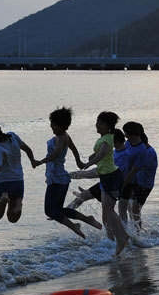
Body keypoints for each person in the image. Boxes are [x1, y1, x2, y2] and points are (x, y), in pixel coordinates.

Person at [31, 107, 102, 238]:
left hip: (57, 178)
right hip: (57, 178)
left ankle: (76, 224)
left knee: (50, 211)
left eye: (53, 124)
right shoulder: (64, 136)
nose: (51, 126)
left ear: (60, 125)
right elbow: (74, 149)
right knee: (55, 210)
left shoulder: (62, 138)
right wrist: (79, 162)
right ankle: (86, 219)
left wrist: (40, 162)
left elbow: (56, 154)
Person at [81, 111, 130, 255]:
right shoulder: (105, 138)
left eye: (100, 123)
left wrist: (88, 163)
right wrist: (91, 157)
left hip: (110, 176)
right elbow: (101, 154)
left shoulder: (108, 138)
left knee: (108, 210)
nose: (96, 125)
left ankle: (122, 238)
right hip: (107, 176)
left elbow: (102, 154)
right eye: (97, 121)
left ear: (108, 126)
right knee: (107, 211)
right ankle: (116, 238)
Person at [69, 129, 129, 221]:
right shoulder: (115, 152)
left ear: (113, 141)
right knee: (82, 197)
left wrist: (74, 175)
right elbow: (99, 164)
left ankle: (122, 232)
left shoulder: (123, 156)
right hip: (108, 184)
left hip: (113, 187)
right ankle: (64, 212)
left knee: (108, 214)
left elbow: (100, 172)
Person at [120, 121, 158, 228]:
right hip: (134, 181)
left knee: (135, 209)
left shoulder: (148, 151)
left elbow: (134, 170)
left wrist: (122, 184)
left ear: (131, 134)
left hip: (145, 184)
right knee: (130, 208)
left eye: (125, 133)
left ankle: (137, 233)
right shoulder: (129, 143)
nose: (124, 135)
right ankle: (133, 230)